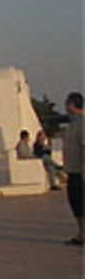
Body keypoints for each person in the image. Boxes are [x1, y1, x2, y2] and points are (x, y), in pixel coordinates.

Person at [62, 92, 84, 247]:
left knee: (81, 203)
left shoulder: (82, 124)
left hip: (80, 172)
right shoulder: (72, 125)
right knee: (76, 203)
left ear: (71, 105)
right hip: (72, 171)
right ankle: (82, 232)